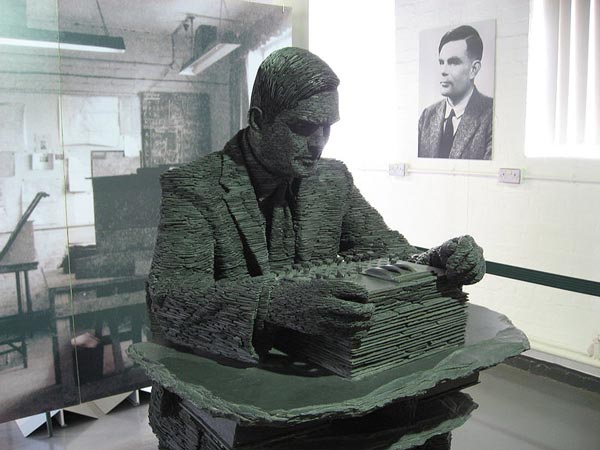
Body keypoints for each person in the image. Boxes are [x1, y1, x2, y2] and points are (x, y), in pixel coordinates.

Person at [148, 47, 485, 364]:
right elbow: (170, 302)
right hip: (232, 371)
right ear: (257, 120)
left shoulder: (332, 180)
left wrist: (433, 261)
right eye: (304, 127)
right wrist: (273, 303)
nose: (319, 143)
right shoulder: (195, 186)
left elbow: (386, 249)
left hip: (323, 364)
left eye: (327, 128)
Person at [418, 25, 493, 160]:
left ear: (474, 69)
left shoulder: (491, 116)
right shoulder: (427, 117)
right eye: (441, 62)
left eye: (453, 62)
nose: (443, 71)